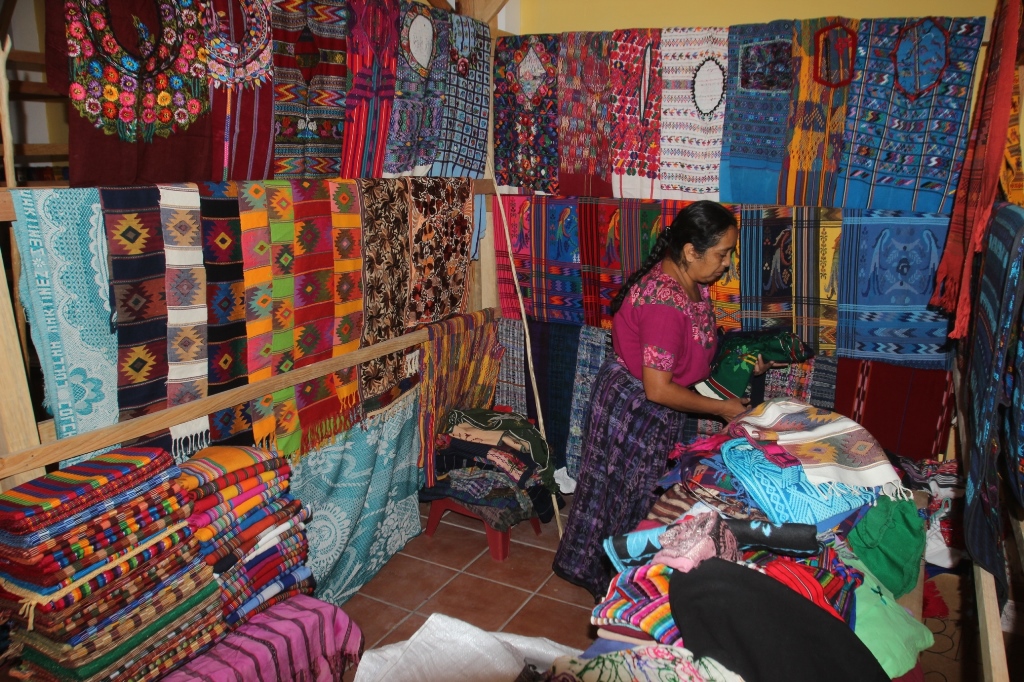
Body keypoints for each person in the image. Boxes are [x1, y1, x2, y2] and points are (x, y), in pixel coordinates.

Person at [552, 200, 772, 599]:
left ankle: (627, 580)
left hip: (651, 406)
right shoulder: (664, 304)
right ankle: (612, 586)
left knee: (635, 499)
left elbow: (694, 350)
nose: (727, 263)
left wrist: (739, 362)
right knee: (621, 499)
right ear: (691, 251)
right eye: (722, 254)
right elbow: (659, 388)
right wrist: (724, 408)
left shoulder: (692, 284)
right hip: (635, 410)